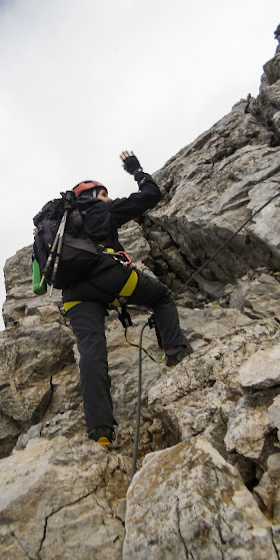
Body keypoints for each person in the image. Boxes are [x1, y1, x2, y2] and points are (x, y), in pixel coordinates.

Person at [62, 151, 190, 446]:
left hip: (74, 295)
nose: (108, 198)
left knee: (91, 352)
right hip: (109, 274)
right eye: (103, 193)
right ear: (92, 194)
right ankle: (175, 359)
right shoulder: (101, 209)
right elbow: (151, 194)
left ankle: (102, 433)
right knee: (161, 298)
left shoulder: (59, 227)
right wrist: (136, 169)